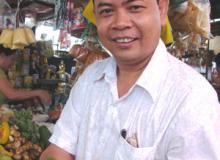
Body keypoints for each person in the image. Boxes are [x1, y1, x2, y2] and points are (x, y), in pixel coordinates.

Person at [40, 0, 220, 159]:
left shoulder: (193, 100)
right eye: (107, 11)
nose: (120, 23)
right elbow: (60, 148)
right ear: (96, 16)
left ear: (161, 9)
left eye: (135, 7)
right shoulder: (90, 78)